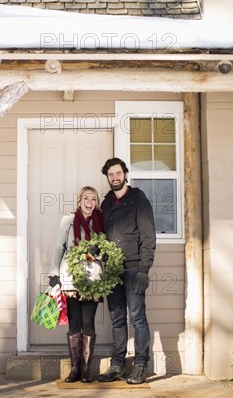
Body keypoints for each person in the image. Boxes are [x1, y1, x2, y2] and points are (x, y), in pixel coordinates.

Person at [97, 157, 156, 385]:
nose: (115, 178)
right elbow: (102, 236)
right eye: (110, 175)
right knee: (117, 319)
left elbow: (148, 236)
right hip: (113, 271)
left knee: (138, 318)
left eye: (118, 173)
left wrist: (144, 269)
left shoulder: (138, 198)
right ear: (108, 177)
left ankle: (140, 365)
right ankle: (117, 365)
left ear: (125, 174)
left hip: (133, 269)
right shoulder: (106, 204)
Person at [48, 186, 104, 383]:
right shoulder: (68, 221)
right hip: (70, 277)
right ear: (80, 200)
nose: (90, 202)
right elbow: (58, 247)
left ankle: (86, 370)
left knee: (88, 322)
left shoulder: (100, 221)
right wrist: (53, 273)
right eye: (86, 198)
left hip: (92, 278)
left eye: (93, 199)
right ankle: (75, 369)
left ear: (96, 202)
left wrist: (98, 252)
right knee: (75, 323)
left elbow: (105, 250)